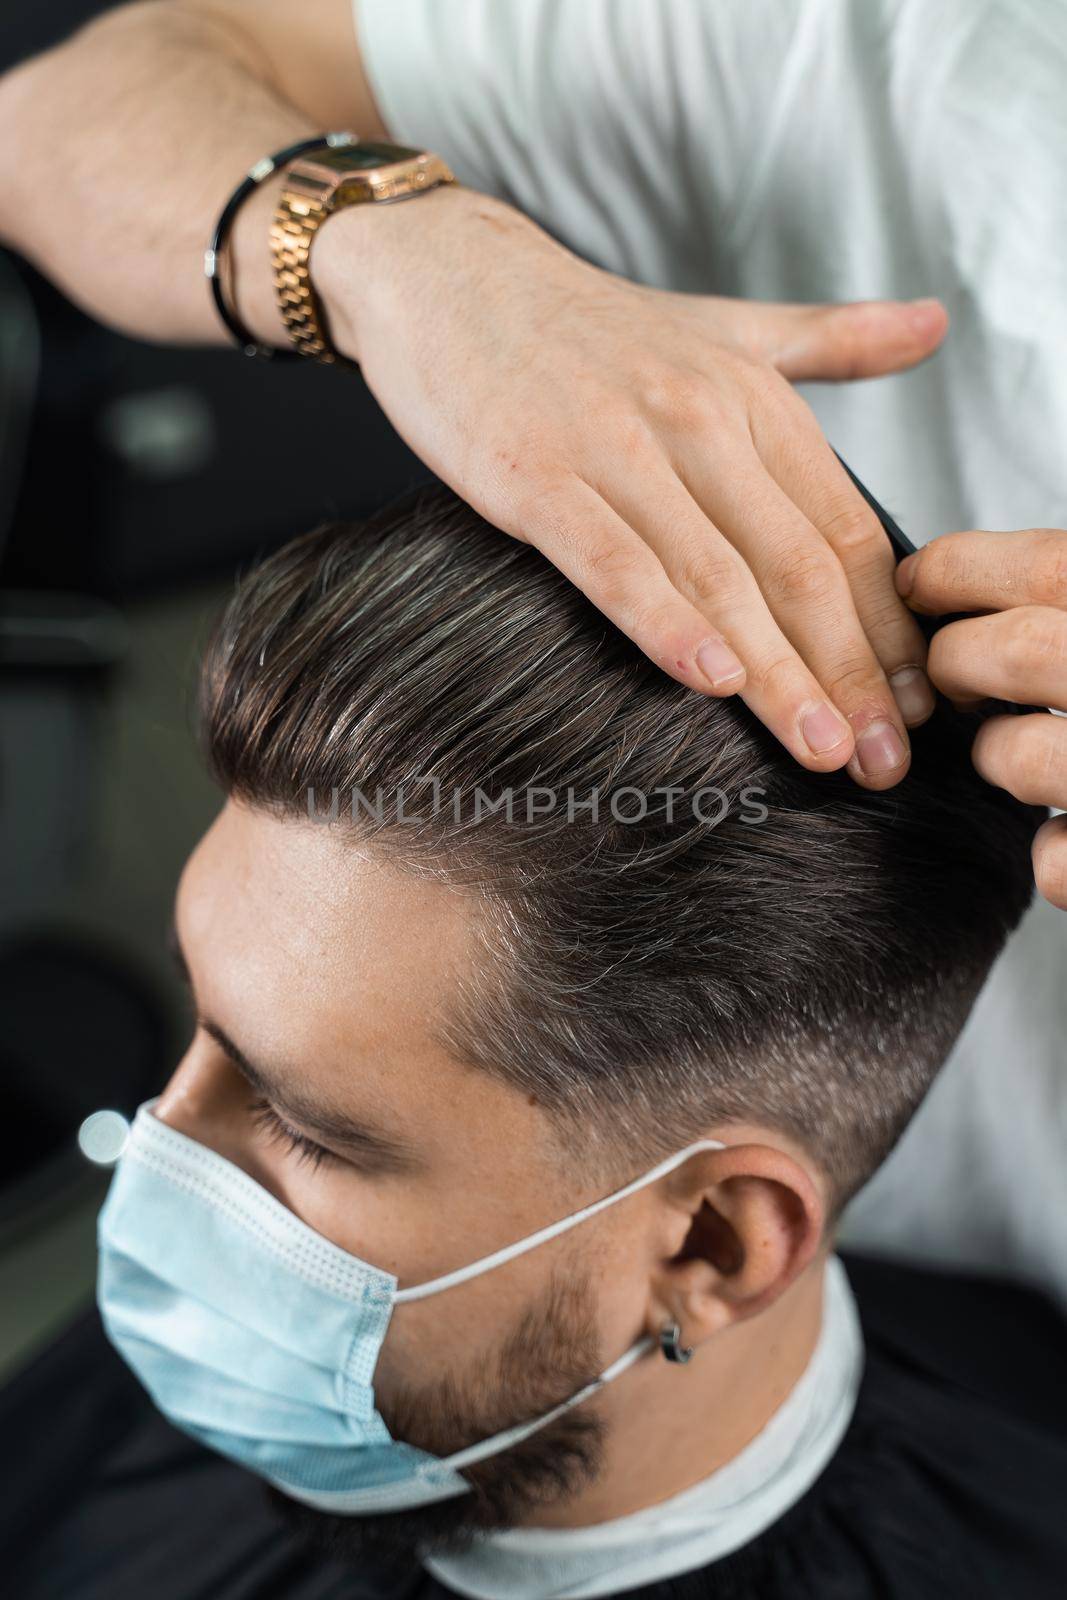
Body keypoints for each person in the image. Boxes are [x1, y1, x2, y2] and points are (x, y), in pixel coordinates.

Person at [1, 0, 1064, 1293]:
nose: (156, 1143)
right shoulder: (862, 41)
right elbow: (53, 117)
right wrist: (393, 255)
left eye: (303, 1125)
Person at [12, 482, 1057, 1600]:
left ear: (712, 1244)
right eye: (199, 1024)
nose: (159, 1153)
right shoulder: (163, 1383)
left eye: (305, 1129)